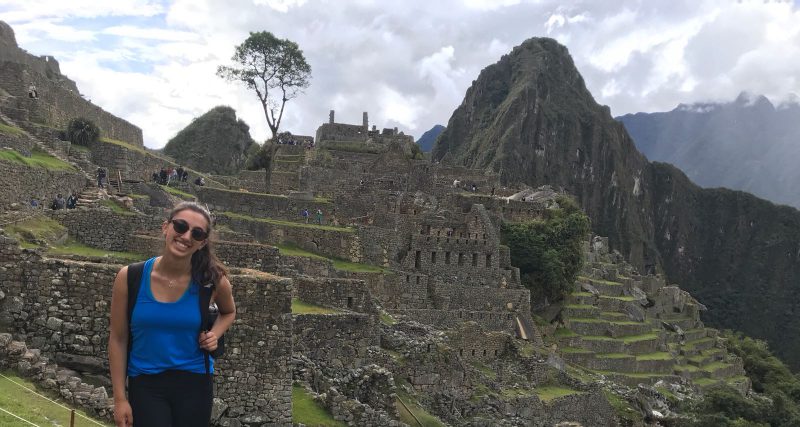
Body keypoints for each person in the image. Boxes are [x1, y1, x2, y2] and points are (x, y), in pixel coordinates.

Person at [108, 202, 235, 427]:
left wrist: (215, 333)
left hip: (195, 382)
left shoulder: (211, 281)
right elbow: (118, 339)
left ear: (202, 243)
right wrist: (119, 398)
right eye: (180, 226)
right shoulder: (130, 277)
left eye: (196, 233)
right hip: (145, 383)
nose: (186, 236)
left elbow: (229, 312)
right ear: (165, 227)